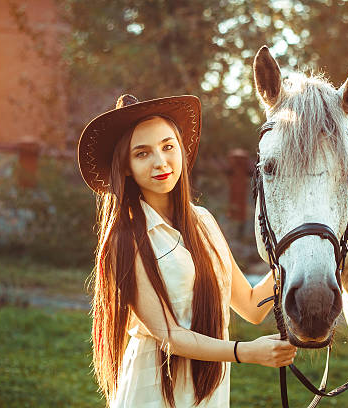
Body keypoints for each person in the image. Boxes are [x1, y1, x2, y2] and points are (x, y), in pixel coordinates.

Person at [77, 94, 296, 408]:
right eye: (142, 154)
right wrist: (246, 352)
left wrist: (296, 262)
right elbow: (170, 335)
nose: (160, 162)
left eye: (168, 146)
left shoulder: (203, 221)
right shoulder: (124, 239)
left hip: (208, 393)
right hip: (153, 394)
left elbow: (250, 306)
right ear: (125, 166)